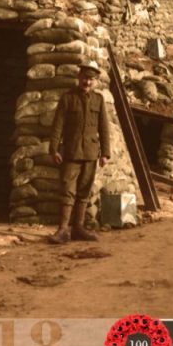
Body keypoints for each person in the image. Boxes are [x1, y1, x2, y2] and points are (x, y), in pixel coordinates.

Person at [48, 60, 111, 244]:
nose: (87, 82)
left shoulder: (98, 100)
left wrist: (105, 153)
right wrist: (54, 148)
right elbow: (57, 126)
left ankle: (78, 228)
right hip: (71, 152)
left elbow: (104, 128)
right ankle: (62, 230)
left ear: (96, 81)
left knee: (84, 191)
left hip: (91, 153)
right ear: (79, 77)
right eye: (84, 78)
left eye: (91, 79)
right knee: (68, 190)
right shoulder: (67, 98)